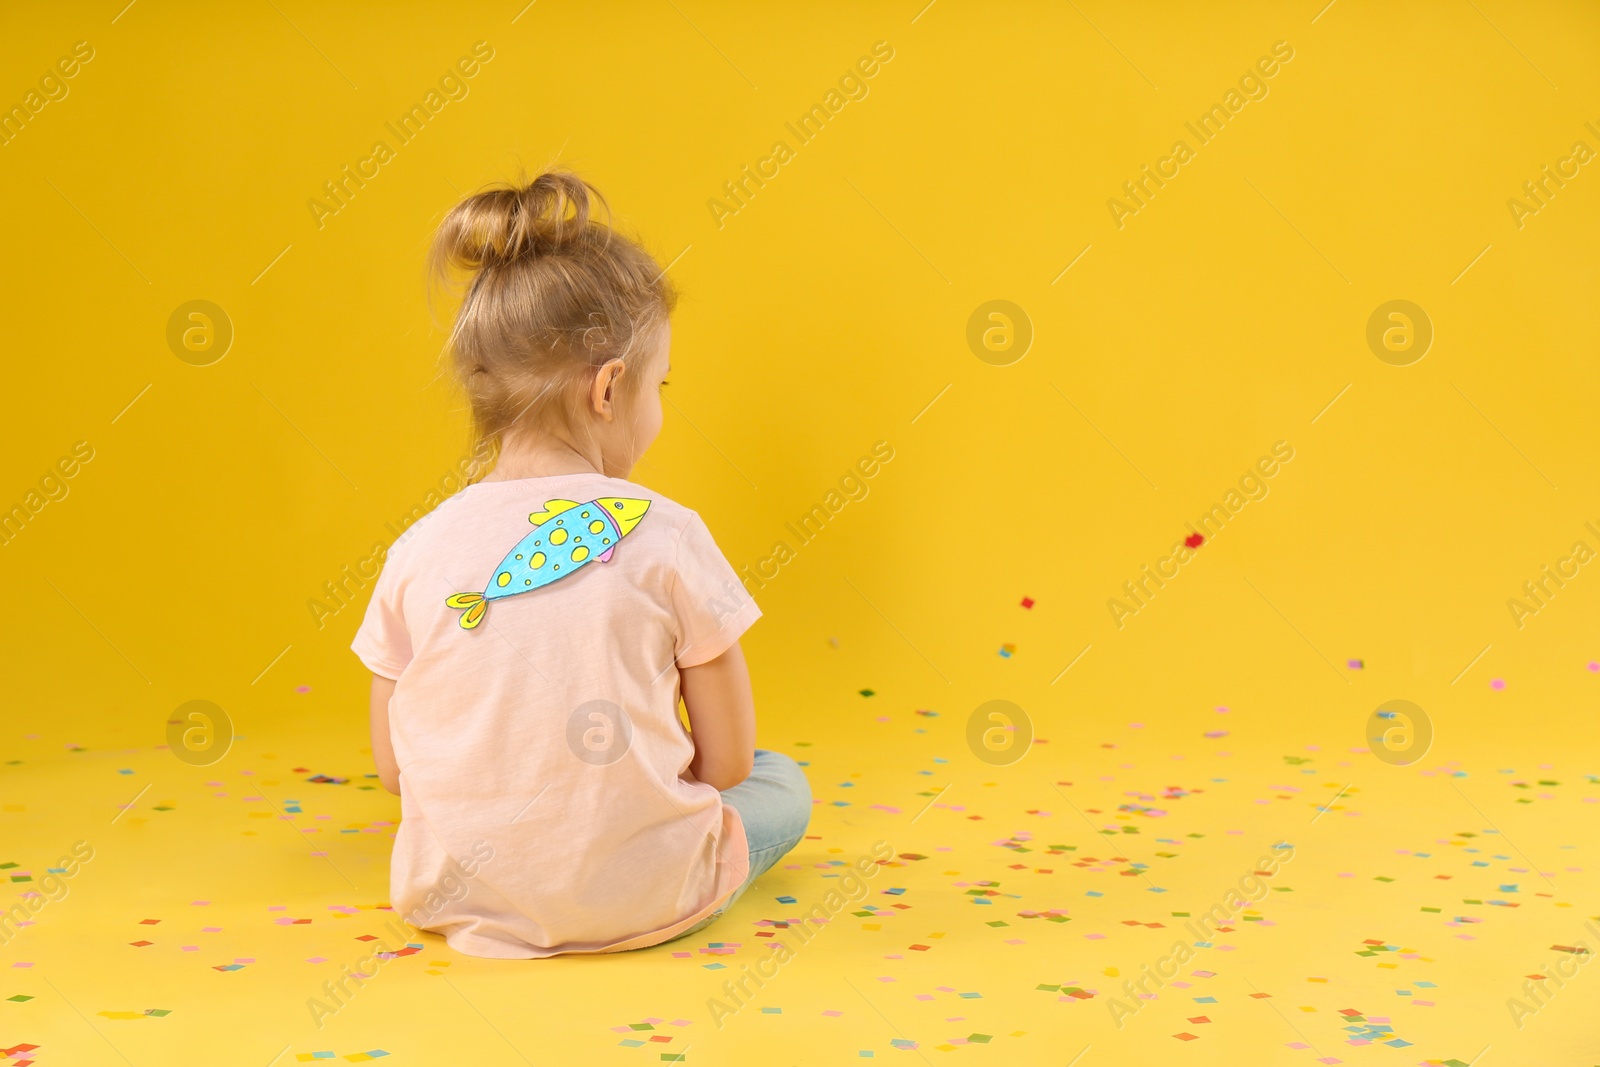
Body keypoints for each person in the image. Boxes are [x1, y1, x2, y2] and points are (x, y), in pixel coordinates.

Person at [352, 171, 810, 958]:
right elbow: (729, 761)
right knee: (781, 781)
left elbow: (396, 770)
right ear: (609, 388)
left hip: (452, 892)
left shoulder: (419, 546)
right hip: (651, 895)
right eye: (659, 385)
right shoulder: (666, 532)